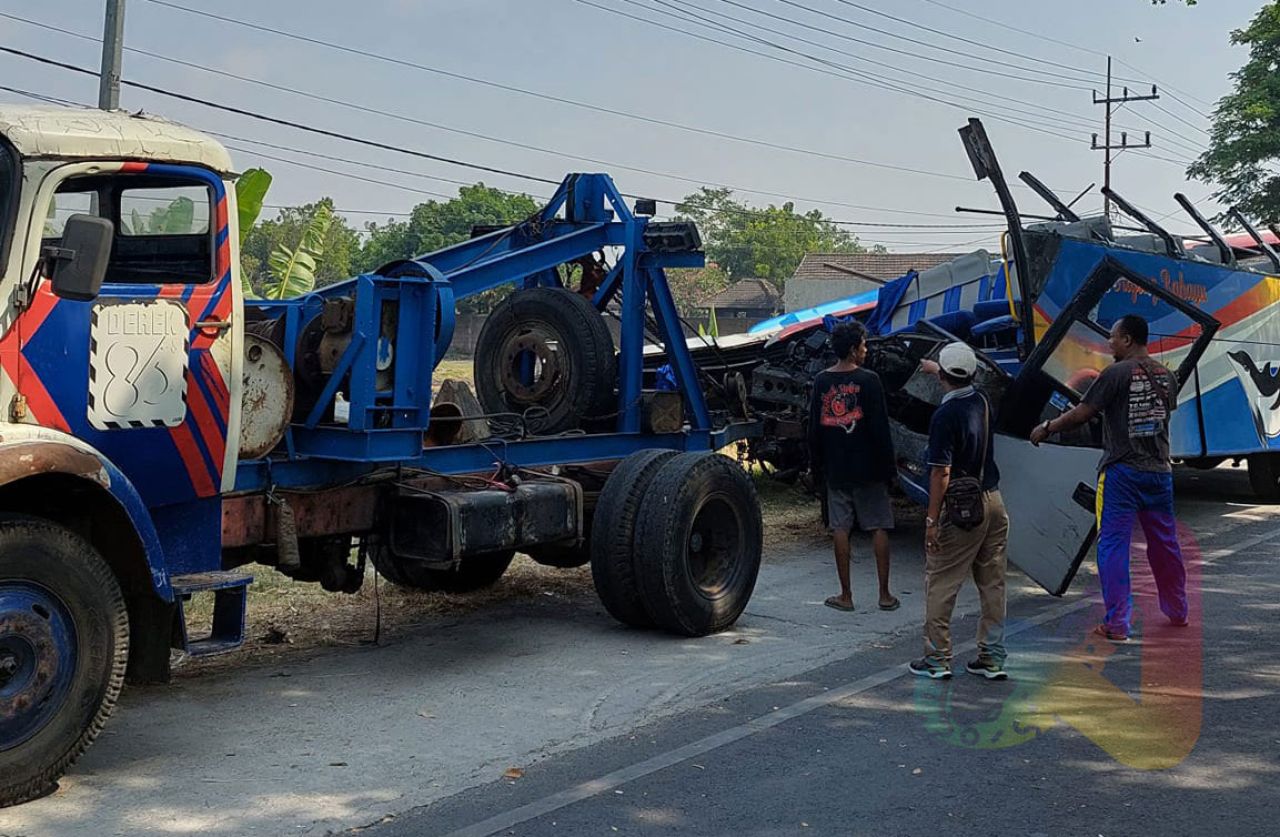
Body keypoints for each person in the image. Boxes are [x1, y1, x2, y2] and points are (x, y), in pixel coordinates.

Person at [1030, 314, 1187, 642]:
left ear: (1128, 339)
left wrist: (1047, 428)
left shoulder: (1116, 373)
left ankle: (1118, 624)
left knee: (1113, 545)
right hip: (1159, 473)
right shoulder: (1167, 376)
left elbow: (1083, 413)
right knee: (1165, 545)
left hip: (1122, 472)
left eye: (1113, 337)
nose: (1110, 343)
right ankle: (1177, 610)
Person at [909, 342, 1010, 681]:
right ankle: (992, 657)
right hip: (994, 502)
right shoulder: (980, 400)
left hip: (962, 510)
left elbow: (941, 473)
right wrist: (934, 367)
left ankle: (937, 659)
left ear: (944, 378)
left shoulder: (944, 416)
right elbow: (958, 378)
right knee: (992, 583)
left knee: (941, 583)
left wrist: (932, 520)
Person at [808, 321, 900, 613]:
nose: (866, 349)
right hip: (870, 469)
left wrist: (817, 467)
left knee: (840, 528)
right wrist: (889, 469)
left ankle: (846, 595)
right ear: (852, 349)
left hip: (837, 469)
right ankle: (885, 594)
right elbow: (880, 429)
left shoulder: (822, 382)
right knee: (879, 526)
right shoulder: (870, 381)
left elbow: (814, 430)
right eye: (863, 345)